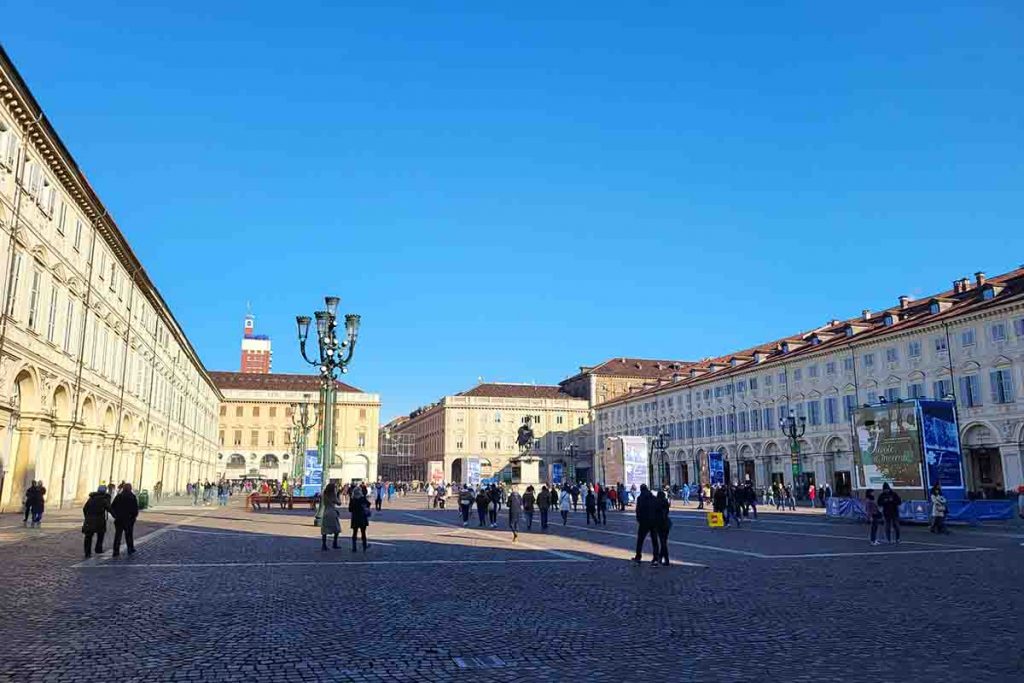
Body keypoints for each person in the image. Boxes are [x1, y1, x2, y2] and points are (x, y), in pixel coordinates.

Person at [631, 484, 660, 566]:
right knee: (655, 540)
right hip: (653, 522)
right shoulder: (653, 498)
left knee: (640, 540)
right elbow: (657, 510)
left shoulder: (640, 498)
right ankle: (656, 557)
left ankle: (638, 556)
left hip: (644, 522)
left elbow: (638, 511)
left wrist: (639, 520)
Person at [110, 483, 139, 557]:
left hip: (119, 519)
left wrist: (115, 515)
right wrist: (133, 517)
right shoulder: (132, 497)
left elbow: (112, 507)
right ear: (130, 489)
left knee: (118, 535)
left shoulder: (119, 496)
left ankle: (116, 551)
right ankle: (130, 548)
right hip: (128, 519)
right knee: (129, 535)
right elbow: (135, 509)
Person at [81, 485, 111, 558]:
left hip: (89, 519)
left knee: (88, 536)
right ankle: (98, 549)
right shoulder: (104, 499)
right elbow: (109, 508)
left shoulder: (91, 498)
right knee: (100, 535)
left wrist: (87, 516)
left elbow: (85, 508)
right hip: (99, 519)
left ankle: (87, 552)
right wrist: (116, 515)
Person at [349, 486, 370, 552]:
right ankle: (364, 545)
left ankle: (354, 547)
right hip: (362, 517)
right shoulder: (362, 498)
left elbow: (350, 509)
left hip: (355, 517)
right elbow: (368, 504)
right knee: (363, 533)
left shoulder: (352, 499)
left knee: (354, 533)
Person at [654, 490, 672, 566]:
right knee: (664, 541)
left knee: (663, 543)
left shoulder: (656, 503)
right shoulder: (666, 502)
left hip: (659, 524)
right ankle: (660, 558)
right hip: (667, 524)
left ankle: (667, 560)